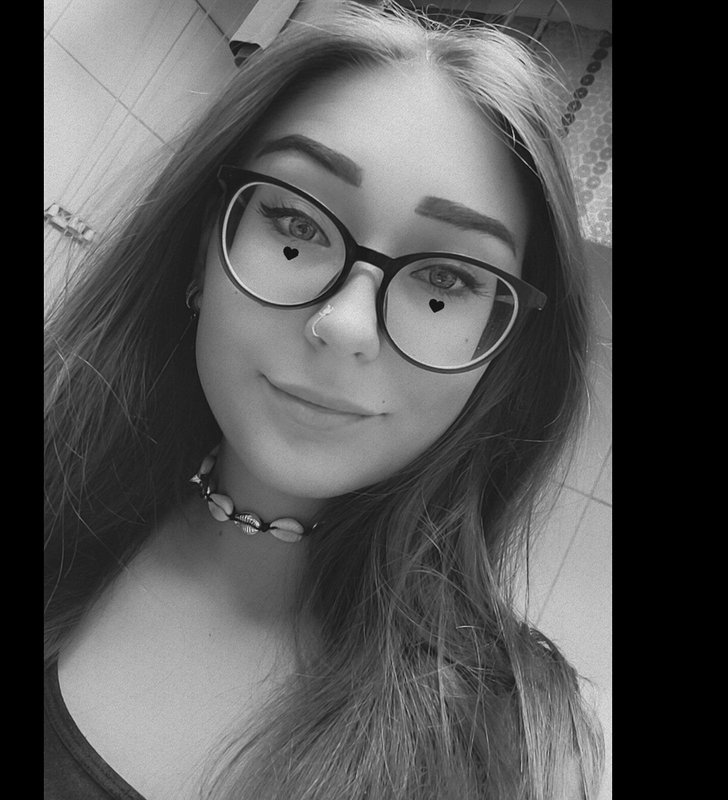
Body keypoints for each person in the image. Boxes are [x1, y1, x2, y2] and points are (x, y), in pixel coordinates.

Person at [44, 3, 605, 799]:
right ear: (203, 248)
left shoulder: (519, 752)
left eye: (445, 281)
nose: (344, 326)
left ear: (501, 354)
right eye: (296, 223)